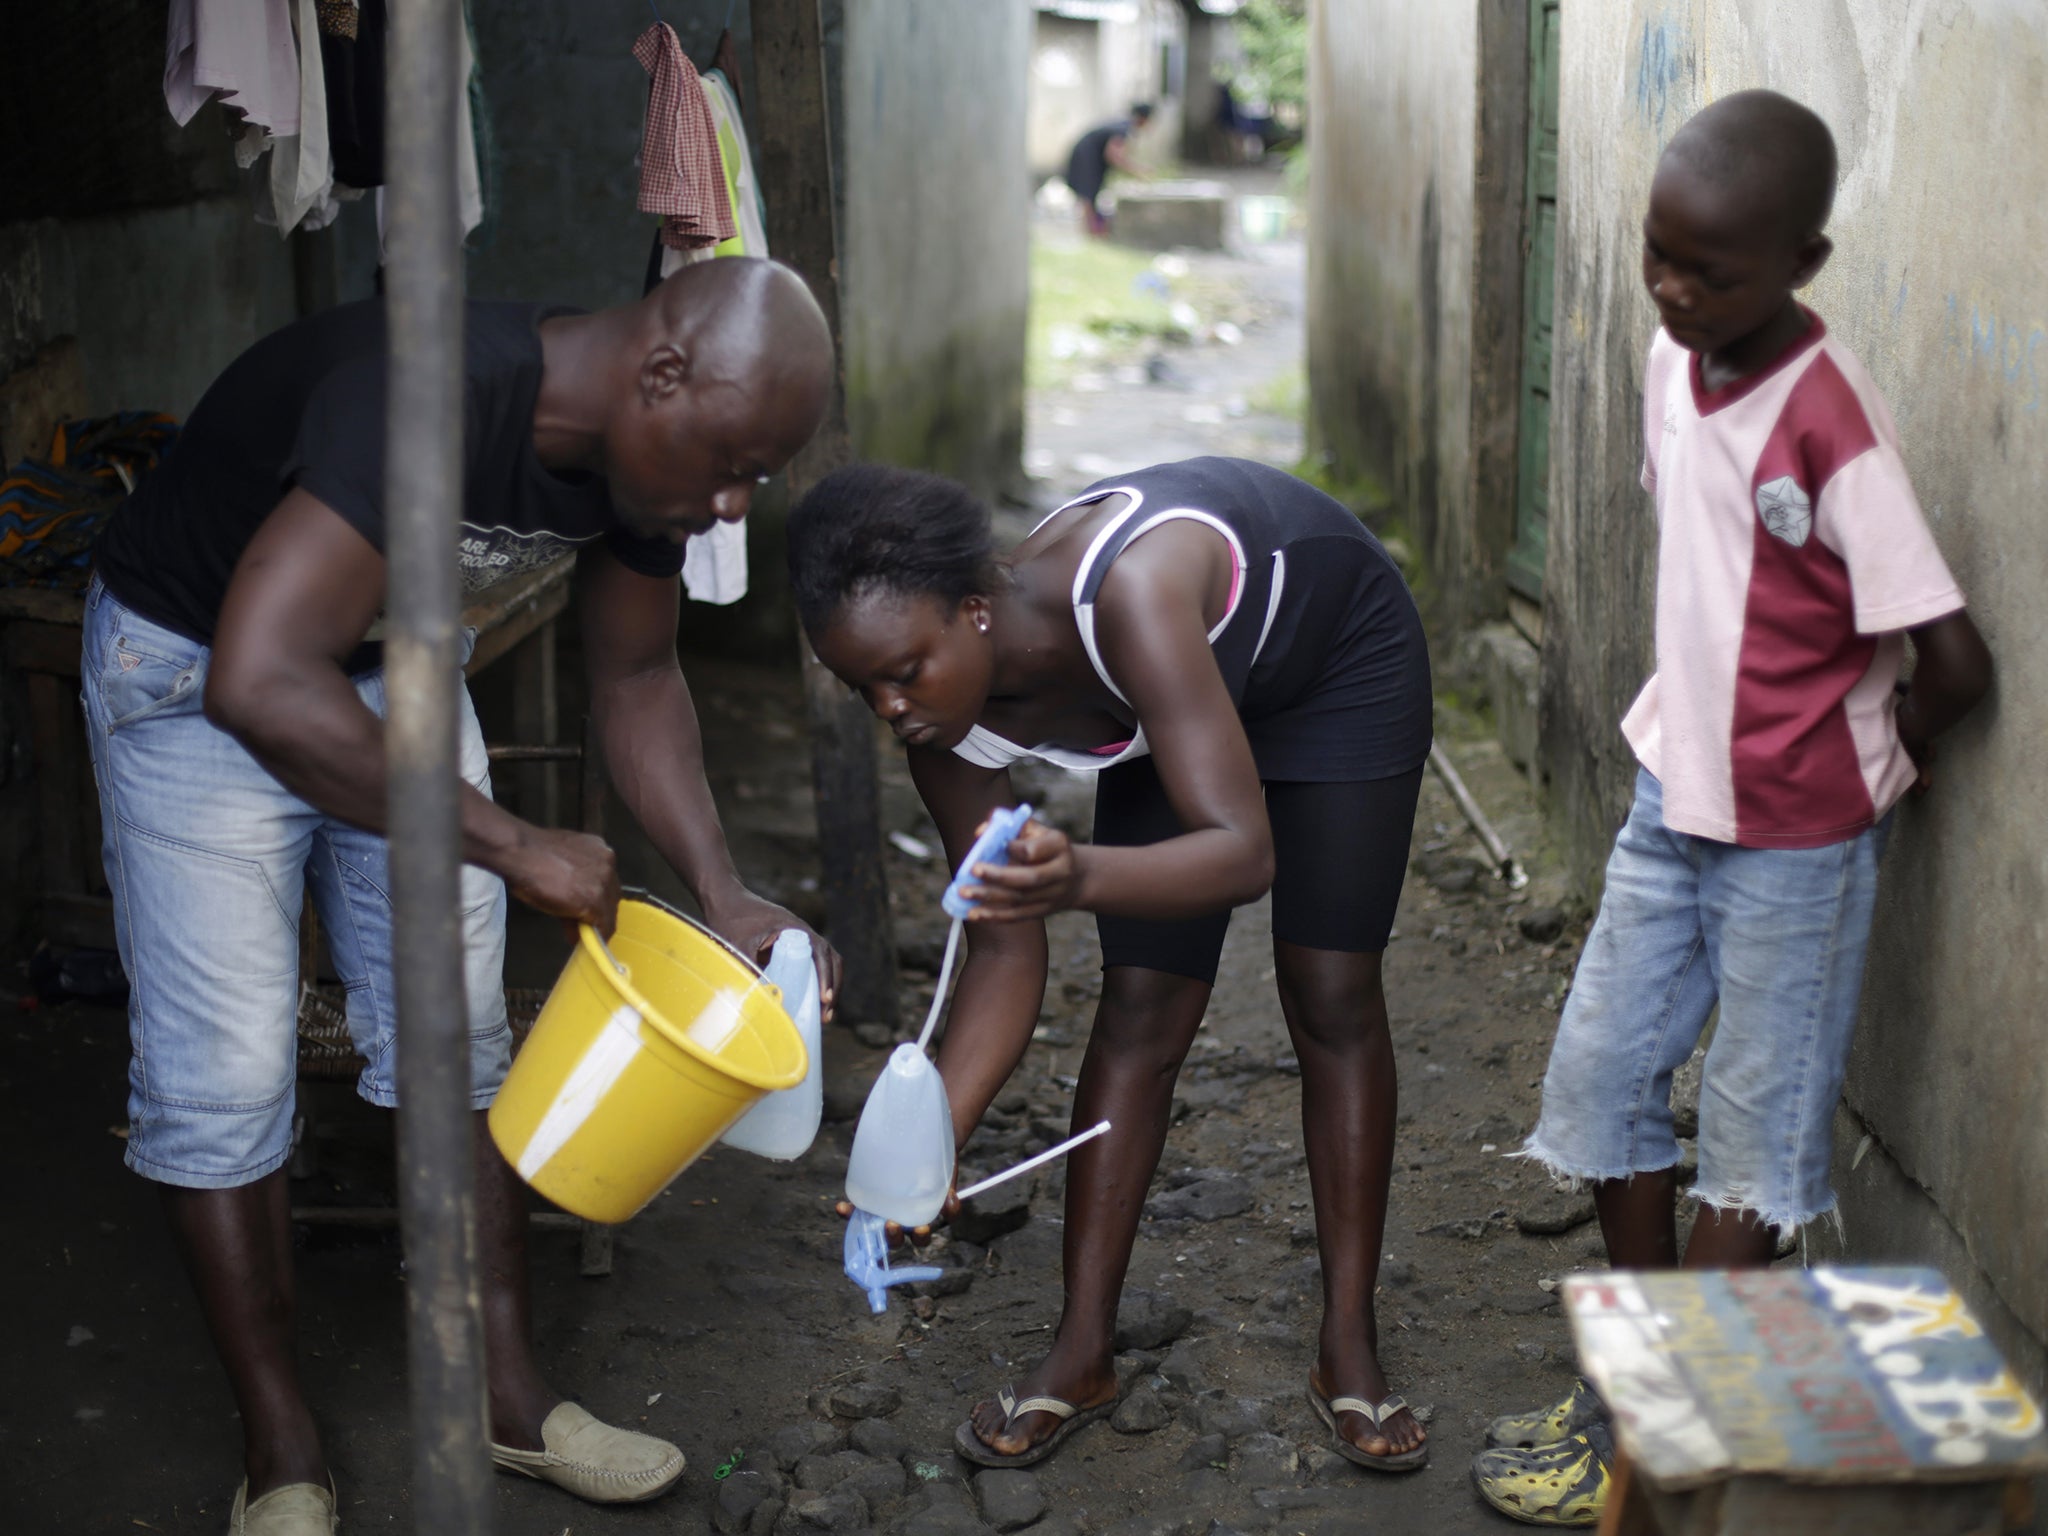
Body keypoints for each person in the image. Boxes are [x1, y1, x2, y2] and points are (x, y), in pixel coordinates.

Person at [83, 256, 844, 1533]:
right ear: (662, 373)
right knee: (223, 1077)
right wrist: (506, 841)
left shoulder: (643, 461)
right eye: (731, 466)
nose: (727, 506)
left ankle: (507, 1399)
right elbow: (261, 684)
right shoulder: (422, 398)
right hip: (195, 677)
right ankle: (279, 1447)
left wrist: (724, 888)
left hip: (391, 671)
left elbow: (639, 679)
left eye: (751, 480)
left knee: (458, 1040)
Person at [1469, 92, 1993, 1528]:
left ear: (1804, 263)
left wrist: (1883, 757)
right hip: (1670, 797)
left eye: (1714, 271)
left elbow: (1951, 660)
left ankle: (1668, 1442)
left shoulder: (1834, 425)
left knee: (1754, 1145)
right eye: (1658, 256)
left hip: (1798, 848)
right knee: (1600, 1086)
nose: (1675, 290)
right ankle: (1642, 1393)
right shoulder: (1668, 354)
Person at [789, 455, 1436, 1472]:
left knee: (1329, 992)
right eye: (857, 685)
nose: (887, 708)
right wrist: (924, 1152)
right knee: (1140, 1004)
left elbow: (1242, 855)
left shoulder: (1129, 591)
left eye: (903, 671)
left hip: (1332, 660)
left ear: (975, 611)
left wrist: (1078, 872)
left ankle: (1346, 1341)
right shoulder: (942, 738)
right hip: (1167, 714)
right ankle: (1081, 1351)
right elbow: (1003, 948)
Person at [1064, 102, 1153, 237]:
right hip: (1087, 156)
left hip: (1090, 155)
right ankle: (1092, 231)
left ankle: (1093, 230)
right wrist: (1136, 170)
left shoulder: (1123, 126)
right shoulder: (1123, 129)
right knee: (1087, 192)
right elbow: (1113, 155)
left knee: (1092, 193)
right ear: (1143, 119)